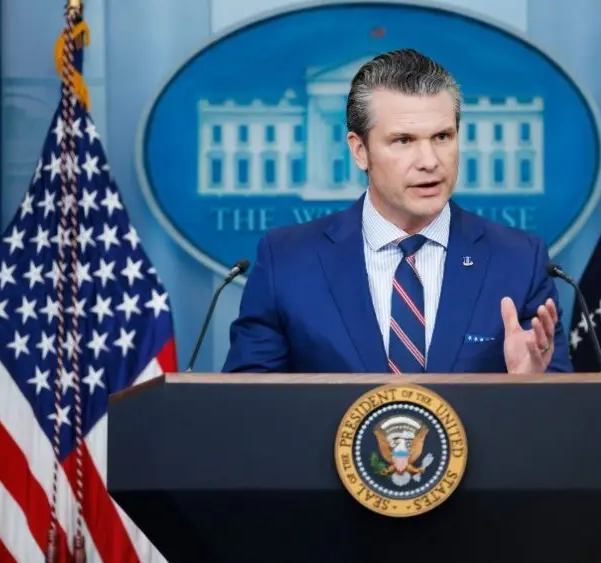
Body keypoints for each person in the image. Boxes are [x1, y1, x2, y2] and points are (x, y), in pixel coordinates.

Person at [221, 49, 572, 375]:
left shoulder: (519, 261)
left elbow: (561, 421)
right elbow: (247, 409)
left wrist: (531, 388)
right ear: (360, 151)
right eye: (404, 141)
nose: (430, 162)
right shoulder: (286, 261)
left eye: (442, 137)